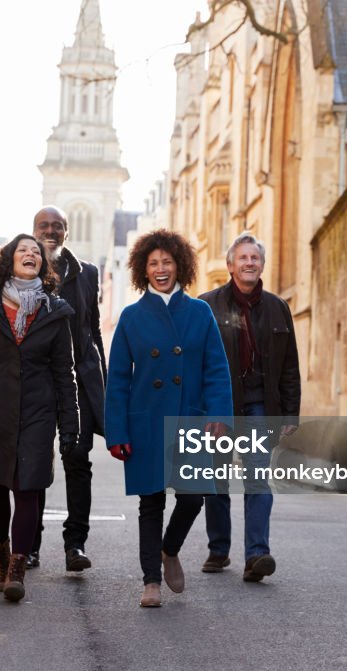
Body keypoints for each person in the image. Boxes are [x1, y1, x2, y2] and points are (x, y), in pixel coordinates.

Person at [104, 229, 233, 608]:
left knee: (194, 497)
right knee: (151, 502)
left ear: (180, 265)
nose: (161, 269)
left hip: (189, 418)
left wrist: (219, 416)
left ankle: (169, 548)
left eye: (167, 262)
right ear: (143, 270)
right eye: (153, 263)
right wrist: (117, 431)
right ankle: (150, 582)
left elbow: (216, 370)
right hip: (146, 420)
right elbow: (118, 380)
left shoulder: (199, 313)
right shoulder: (131, 317)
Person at [0, 234, 80, 603]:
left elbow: (64, 373)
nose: (30, 254)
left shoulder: (56, 312)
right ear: (8, 260)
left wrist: (69, 424)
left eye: (36, 252)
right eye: (22, 250)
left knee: (29, 488)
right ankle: (2, 555)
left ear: (43, 264)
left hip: (38, 413)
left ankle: (17, 567)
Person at [198, 232, 300, 582]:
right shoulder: (207, 306)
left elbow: (290, 366)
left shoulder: (278, 308)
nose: (249, 263)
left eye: (254, 258)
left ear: (262, 265)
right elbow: (195, 364)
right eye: (242, 258)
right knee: (216, 479)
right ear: (230, 265)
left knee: (258, 475)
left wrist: (290, 413)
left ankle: (257, 554)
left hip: (260, 405)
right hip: (220, 407)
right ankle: (219, 549)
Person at [29, 205, 106, 572]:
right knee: (36, 466)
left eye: (57, 226)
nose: (51, 231)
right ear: (33, 230)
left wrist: (100, 381)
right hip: (39, 384)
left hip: (78, 385)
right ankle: (30, 547)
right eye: (44, 225)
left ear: (66, 232)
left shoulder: (87, 273)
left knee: (77, 463)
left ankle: (75, 544)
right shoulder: (24, 267)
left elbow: (94, 330)